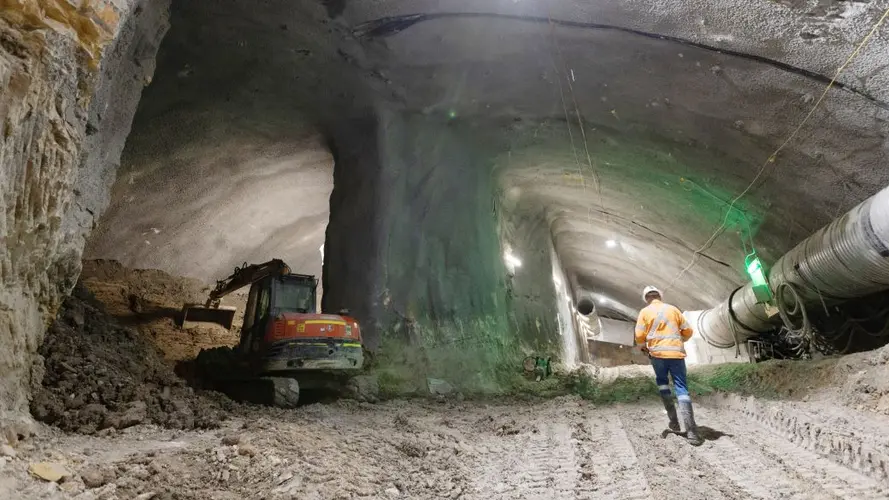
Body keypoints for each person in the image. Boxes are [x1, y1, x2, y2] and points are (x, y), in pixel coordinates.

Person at [634, 285, 703, 446]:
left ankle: (674, 422)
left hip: (657, 356)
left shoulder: (644, 313)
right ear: (660, 296)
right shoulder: (673, 310)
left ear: (646, 298)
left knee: (663, 384)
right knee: (682, 389)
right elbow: (688, 331)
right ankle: (692, 431)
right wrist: (679, 341)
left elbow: (639, 336)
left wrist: (644, 346)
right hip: (677, 355)